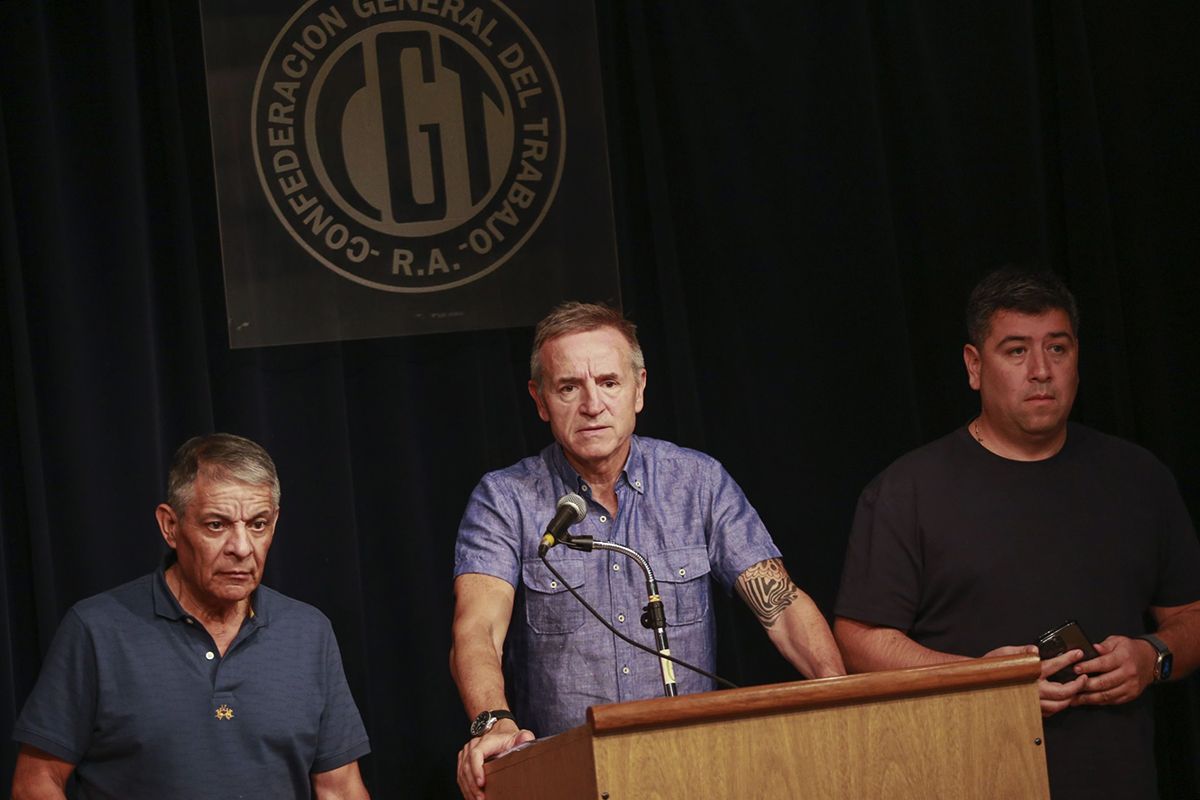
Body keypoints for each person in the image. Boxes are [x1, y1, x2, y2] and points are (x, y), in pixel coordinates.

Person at [451, 302, 845, 800]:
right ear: (540, 399)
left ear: (639, 388)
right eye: (569, 386)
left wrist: (838, 696)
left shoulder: (697, 482)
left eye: (610, 383)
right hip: (570, 778)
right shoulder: (504, 498)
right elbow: (477, 629)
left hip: (695, 774)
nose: (592, 404)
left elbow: (781, 606)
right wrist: (494, 722)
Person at [834, 267, 1200, 800]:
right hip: (971, 779)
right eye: (1015, 351)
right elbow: (858, 641)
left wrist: (1153, 657)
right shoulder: (907, 490)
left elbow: (1190, 616)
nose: (1040, 371)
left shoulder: (1139, 477)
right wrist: (982, 683)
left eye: (1057, 348)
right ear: (974, 367)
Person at [11, 434, 371, 800]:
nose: (242, 548)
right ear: (170, 526)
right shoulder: (96, 630)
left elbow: (339, 790)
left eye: (258, 524)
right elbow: (35, 783)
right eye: (217, 525)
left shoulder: (309, 633)